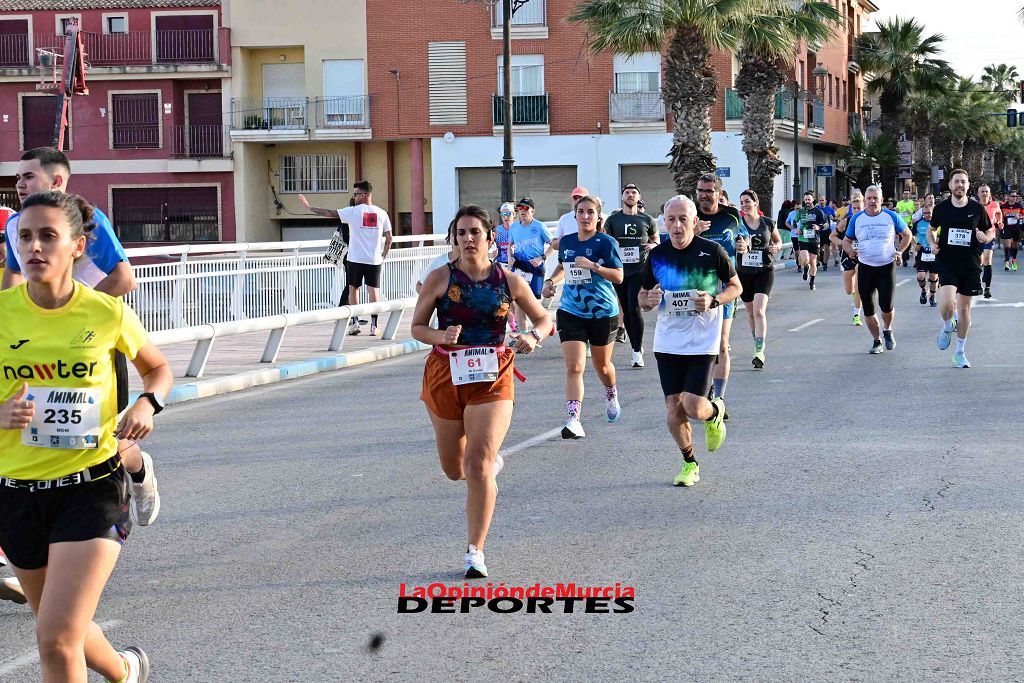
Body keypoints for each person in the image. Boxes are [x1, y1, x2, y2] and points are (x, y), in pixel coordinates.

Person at [0, 191, 172, 683]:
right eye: (25, 236)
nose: (34, 247)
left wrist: (146, 402)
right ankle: (122, 670)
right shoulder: (1, 311)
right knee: (58, 626)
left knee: (55, 639)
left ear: (77, 246)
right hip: (15, 494)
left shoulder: (105, 312)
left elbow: (157, 368)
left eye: (48, 236)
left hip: (91, 486)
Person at [2, 148, 159, 530]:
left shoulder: (88, 222)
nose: (19, 184)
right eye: (18, 177)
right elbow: (13, 280)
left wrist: (73, 313)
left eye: (28, 177)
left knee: (100, 436)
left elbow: (124, 278)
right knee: (32, 435)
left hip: (90, 343)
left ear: (56, 181)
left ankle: (137, 470)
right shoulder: (14, 227)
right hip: (33, 344)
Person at [412, 204, 551, 578]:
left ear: (491, 238)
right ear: (454, 239)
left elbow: (542, 317)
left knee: (477, 464)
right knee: (455, 470)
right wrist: (441, 336)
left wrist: (533, 336)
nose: (469, 239)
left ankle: (475, 551)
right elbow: (416, 327)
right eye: (462, 233)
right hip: (446, 374)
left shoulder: (509, 280)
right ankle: (490, 465)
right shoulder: (441, 278)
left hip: (493, 374)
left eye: (476, 232)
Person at [639, 195, 740, 487]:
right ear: (665, 223)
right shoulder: (657, 256)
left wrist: (713, 300)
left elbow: (736, 286)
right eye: (671, 219)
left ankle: (714, 411)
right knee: (673, 406)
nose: (677, 225)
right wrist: (649, 300)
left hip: (702, 340)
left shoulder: (712, 251)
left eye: (683, 219)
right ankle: (689, 463)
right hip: (667, 341)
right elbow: (642, 298)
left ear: (695, 222)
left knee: (694, 406)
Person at [542, 196, 624, 438]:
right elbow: (563, 268)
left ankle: (610, 392)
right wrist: (550, 281)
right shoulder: (566, 242)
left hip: (601, 311)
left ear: (598, 217)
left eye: (590, 212)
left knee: (602, 365)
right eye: (581, 212)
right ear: (574, 215)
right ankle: (573, 419)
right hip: (571, 309)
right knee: (575, 365)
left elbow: (618, 276)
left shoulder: (606, 243)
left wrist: (594, 267)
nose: (586, 216)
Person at [299, 180, 393, 336]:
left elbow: (329, 213)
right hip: (374, 260)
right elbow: (389, 237)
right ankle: (374, 326)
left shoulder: (353, 211)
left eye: (356, 194)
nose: (354, 197)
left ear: (363, 195)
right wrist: (384, 254)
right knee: (373, 291)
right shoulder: (382, 213)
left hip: (355, 258)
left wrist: (309, 208)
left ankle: (355, 323)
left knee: (353, 289)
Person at [929, 169, 996, 368]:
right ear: (950, 185)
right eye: (956, 181)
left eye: (963, 182)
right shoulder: (941, 209)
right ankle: (948, 325)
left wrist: (987, 237)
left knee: (965, 309)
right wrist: (932, 244)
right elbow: (931, 230)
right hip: (948, 262)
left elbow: (990, 230)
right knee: (948, 304)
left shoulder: (977, 209)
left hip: (970, 264)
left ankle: (960, 352)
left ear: (968, 186)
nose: (960, 185)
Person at [842, 185, 912, 354]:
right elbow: (846, 240)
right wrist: (850, 250)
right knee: (868, 308)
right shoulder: (857, 219)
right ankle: (876, 340)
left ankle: (887, 329)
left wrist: (899, 251)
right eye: (869, 198)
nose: (872, 201)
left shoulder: (891, 216)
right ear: (865, 201)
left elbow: (907, 235)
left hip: (886, 267)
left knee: (886, 306)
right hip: (865, 268)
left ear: (881, 200)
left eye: (875, 198)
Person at [694, 173, 740, 413]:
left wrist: (745, 244)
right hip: (694, 289)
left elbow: (737, 239)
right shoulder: (690, 217)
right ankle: (703, 389)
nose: (704, 195)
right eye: (701, 190)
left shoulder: (730, 215)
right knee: (701, 345)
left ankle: (720, 399)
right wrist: (694, 231)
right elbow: (675, 243)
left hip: (723, 289)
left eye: (709, 191)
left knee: (722, 343)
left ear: (719, 194)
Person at [603, 183, 658, 367]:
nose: (630, 195)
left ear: (638, 197)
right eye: (627, 192)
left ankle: (636, 351)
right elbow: (605, 241)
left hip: (639, 270)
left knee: (634, 308)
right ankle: (636, 345)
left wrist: (653, 246)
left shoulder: (647, 220)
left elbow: (655, 240)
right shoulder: (613, 220)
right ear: (622, 197)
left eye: (634, 192)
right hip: (618, 271)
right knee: (626, 310)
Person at [734, 189, 782, 369]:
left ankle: (759, 351)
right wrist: (738, 247)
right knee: (749, 311)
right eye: (742, 202)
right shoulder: (737, 225)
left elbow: (776, 241)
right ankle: (757, 341)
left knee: (759, 311)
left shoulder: (768, 223)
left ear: (756, 203)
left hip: (764, 270)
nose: (744, 205)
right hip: (744, 271)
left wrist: (776, 247)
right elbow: (731, 244)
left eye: (747, 201)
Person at [509, 197, 553, 330]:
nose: (522, 211)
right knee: (518, 303)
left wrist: (542, 258)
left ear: (532, 211)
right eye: (520, 208)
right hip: (519, 267)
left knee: (535, 304)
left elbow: (553, 245)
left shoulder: (540, 227)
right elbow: (510, 245)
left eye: (526, 208)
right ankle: (522, 335)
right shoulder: (514, 226)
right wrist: (510, 256)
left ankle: (541, 329)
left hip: (535, 268)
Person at [831, 191, 864, 325]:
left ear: (864, 206)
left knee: (859, 286)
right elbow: (832, 236)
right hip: (848, 255)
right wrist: (844, 244)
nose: (856, 211)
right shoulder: (846, 221)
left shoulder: (868, 221)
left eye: (859, 208)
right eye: (854, 208)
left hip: (863, 257)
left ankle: (856, 315)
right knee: (849, 290)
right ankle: (855, 296)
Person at [792, 191, 828, 290]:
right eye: (806, 199)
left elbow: (826, 223)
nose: (807, 201)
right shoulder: (801, 211)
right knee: (805, 260)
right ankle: (805, 268)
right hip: (803, 238)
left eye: (809, 199)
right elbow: (794, 221)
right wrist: (796, 229)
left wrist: (818, 227)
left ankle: (812, 282)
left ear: (813, 200)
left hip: (814, 240)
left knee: (813, 261)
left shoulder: (818, 211)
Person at [416, 220, 459, 294]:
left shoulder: (478, 264)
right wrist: (436, 297)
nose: (458, 236)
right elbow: (420, 285)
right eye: (454, 232)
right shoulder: (439, 261)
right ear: (449, 236)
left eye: (462, 233)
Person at [976, 184, 1001, 299]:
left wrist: (999, 222)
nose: (985, 194)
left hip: (989, 236)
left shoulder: (995, 205)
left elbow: (999, 213)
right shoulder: (974, 206)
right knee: (978, 262)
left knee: (987, 259)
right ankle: (978, 282)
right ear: (978, 194)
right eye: (982, 192)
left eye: (986, 191)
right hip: (976, 237)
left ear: (989, 194)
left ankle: (987, 288)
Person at [913, 204, 939, 306]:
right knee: (921, 276)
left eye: (929, 213)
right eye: (925, 213)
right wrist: (916, 244)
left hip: (934, 253)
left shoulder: (938, 223)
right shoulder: (918, 223)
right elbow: (911, 235)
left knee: (933, 278)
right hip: (922, 253)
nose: (927, 215)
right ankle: (924, 290)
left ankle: (932, 297)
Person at [1000, 190, 1020, 271]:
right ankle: (1007, 261)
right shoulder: (1003, 206)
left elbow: (1022, 214)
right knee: (1008, 245)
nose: (1015, 198)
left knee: (1014, 245)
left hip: (1016, 228)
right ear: (1008, 197)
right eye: (1013, 196)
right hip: (1007, 228)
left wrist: (1020, 216)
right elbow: (999, 216)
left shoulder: (1019, 206)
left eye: (1016, 196)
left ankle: (1014, 260)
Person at [896, 190, 917, 267]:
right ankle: (904, 259)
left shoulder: (912, 203)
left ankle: (906, 254)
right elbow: (898, 212)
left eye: (907, 194)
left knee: (909, 241)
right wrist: (897, 210)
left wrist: (910, 212)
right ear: (902, 195)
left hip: (909, 224)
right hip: (901, 225)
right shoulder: (899, 203)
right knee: (902, 240)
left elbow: (914, 213)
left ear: (909, 195)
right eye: (904, 193)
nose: (905, 195)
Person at [817, 195, 836, 270]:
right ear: (818, 201)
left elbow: (834, 218)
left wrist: (833, 218)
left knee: (827, 247)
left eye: (822, 200)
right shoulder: (816, 209)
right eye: (820, 200)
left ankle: (825, 264)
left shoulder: (829, 209)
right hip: (818, 231)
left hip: (827, 231)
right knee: (819, 249)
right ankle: (819, 258)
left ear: (825, 201)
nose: (821, 202)